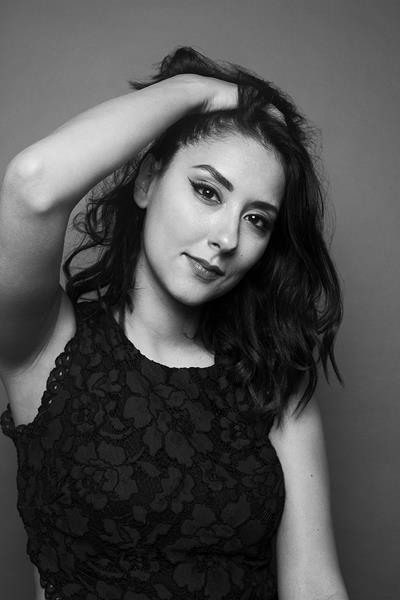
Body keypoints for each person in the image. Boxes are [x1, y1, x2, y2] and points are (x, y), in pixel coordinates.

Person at [0, 46, 348, 600]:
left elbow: (314, 585)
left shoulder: (272, 380)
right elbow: (30, 184)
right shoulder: (45, 344)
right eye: (207, 192)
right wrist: (200, 90)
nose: (227, 238)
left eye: (256, 219)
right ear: (148, 182)